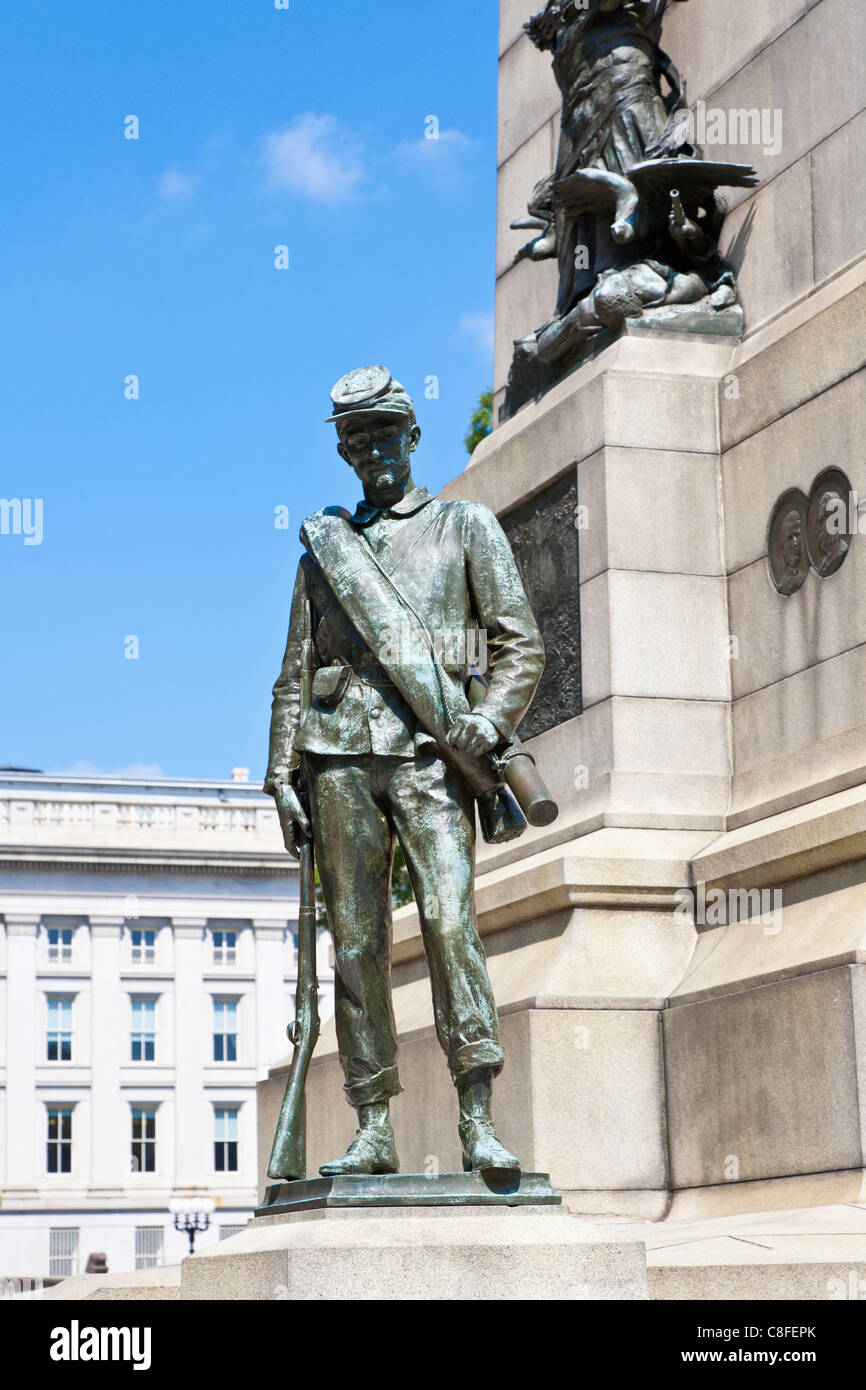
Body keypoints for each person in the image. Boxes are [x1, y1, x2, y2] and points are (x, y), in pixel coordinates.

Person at [265, 367, 545, 1176]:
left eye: (385, 433)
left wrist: (489, 722)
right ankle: (374, 1125)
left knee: (452, 928)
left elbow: (518, 640)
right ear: (345, 453)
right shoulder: (327, 549)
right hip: (338, 762)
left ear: (413, 438)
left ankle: (478, 1117)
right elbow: (292, 673)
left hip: (431, 759)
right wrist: (281, 774)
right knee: (355, 949)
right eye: (358, 440)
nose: (373, 450)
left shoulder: (465, 526)